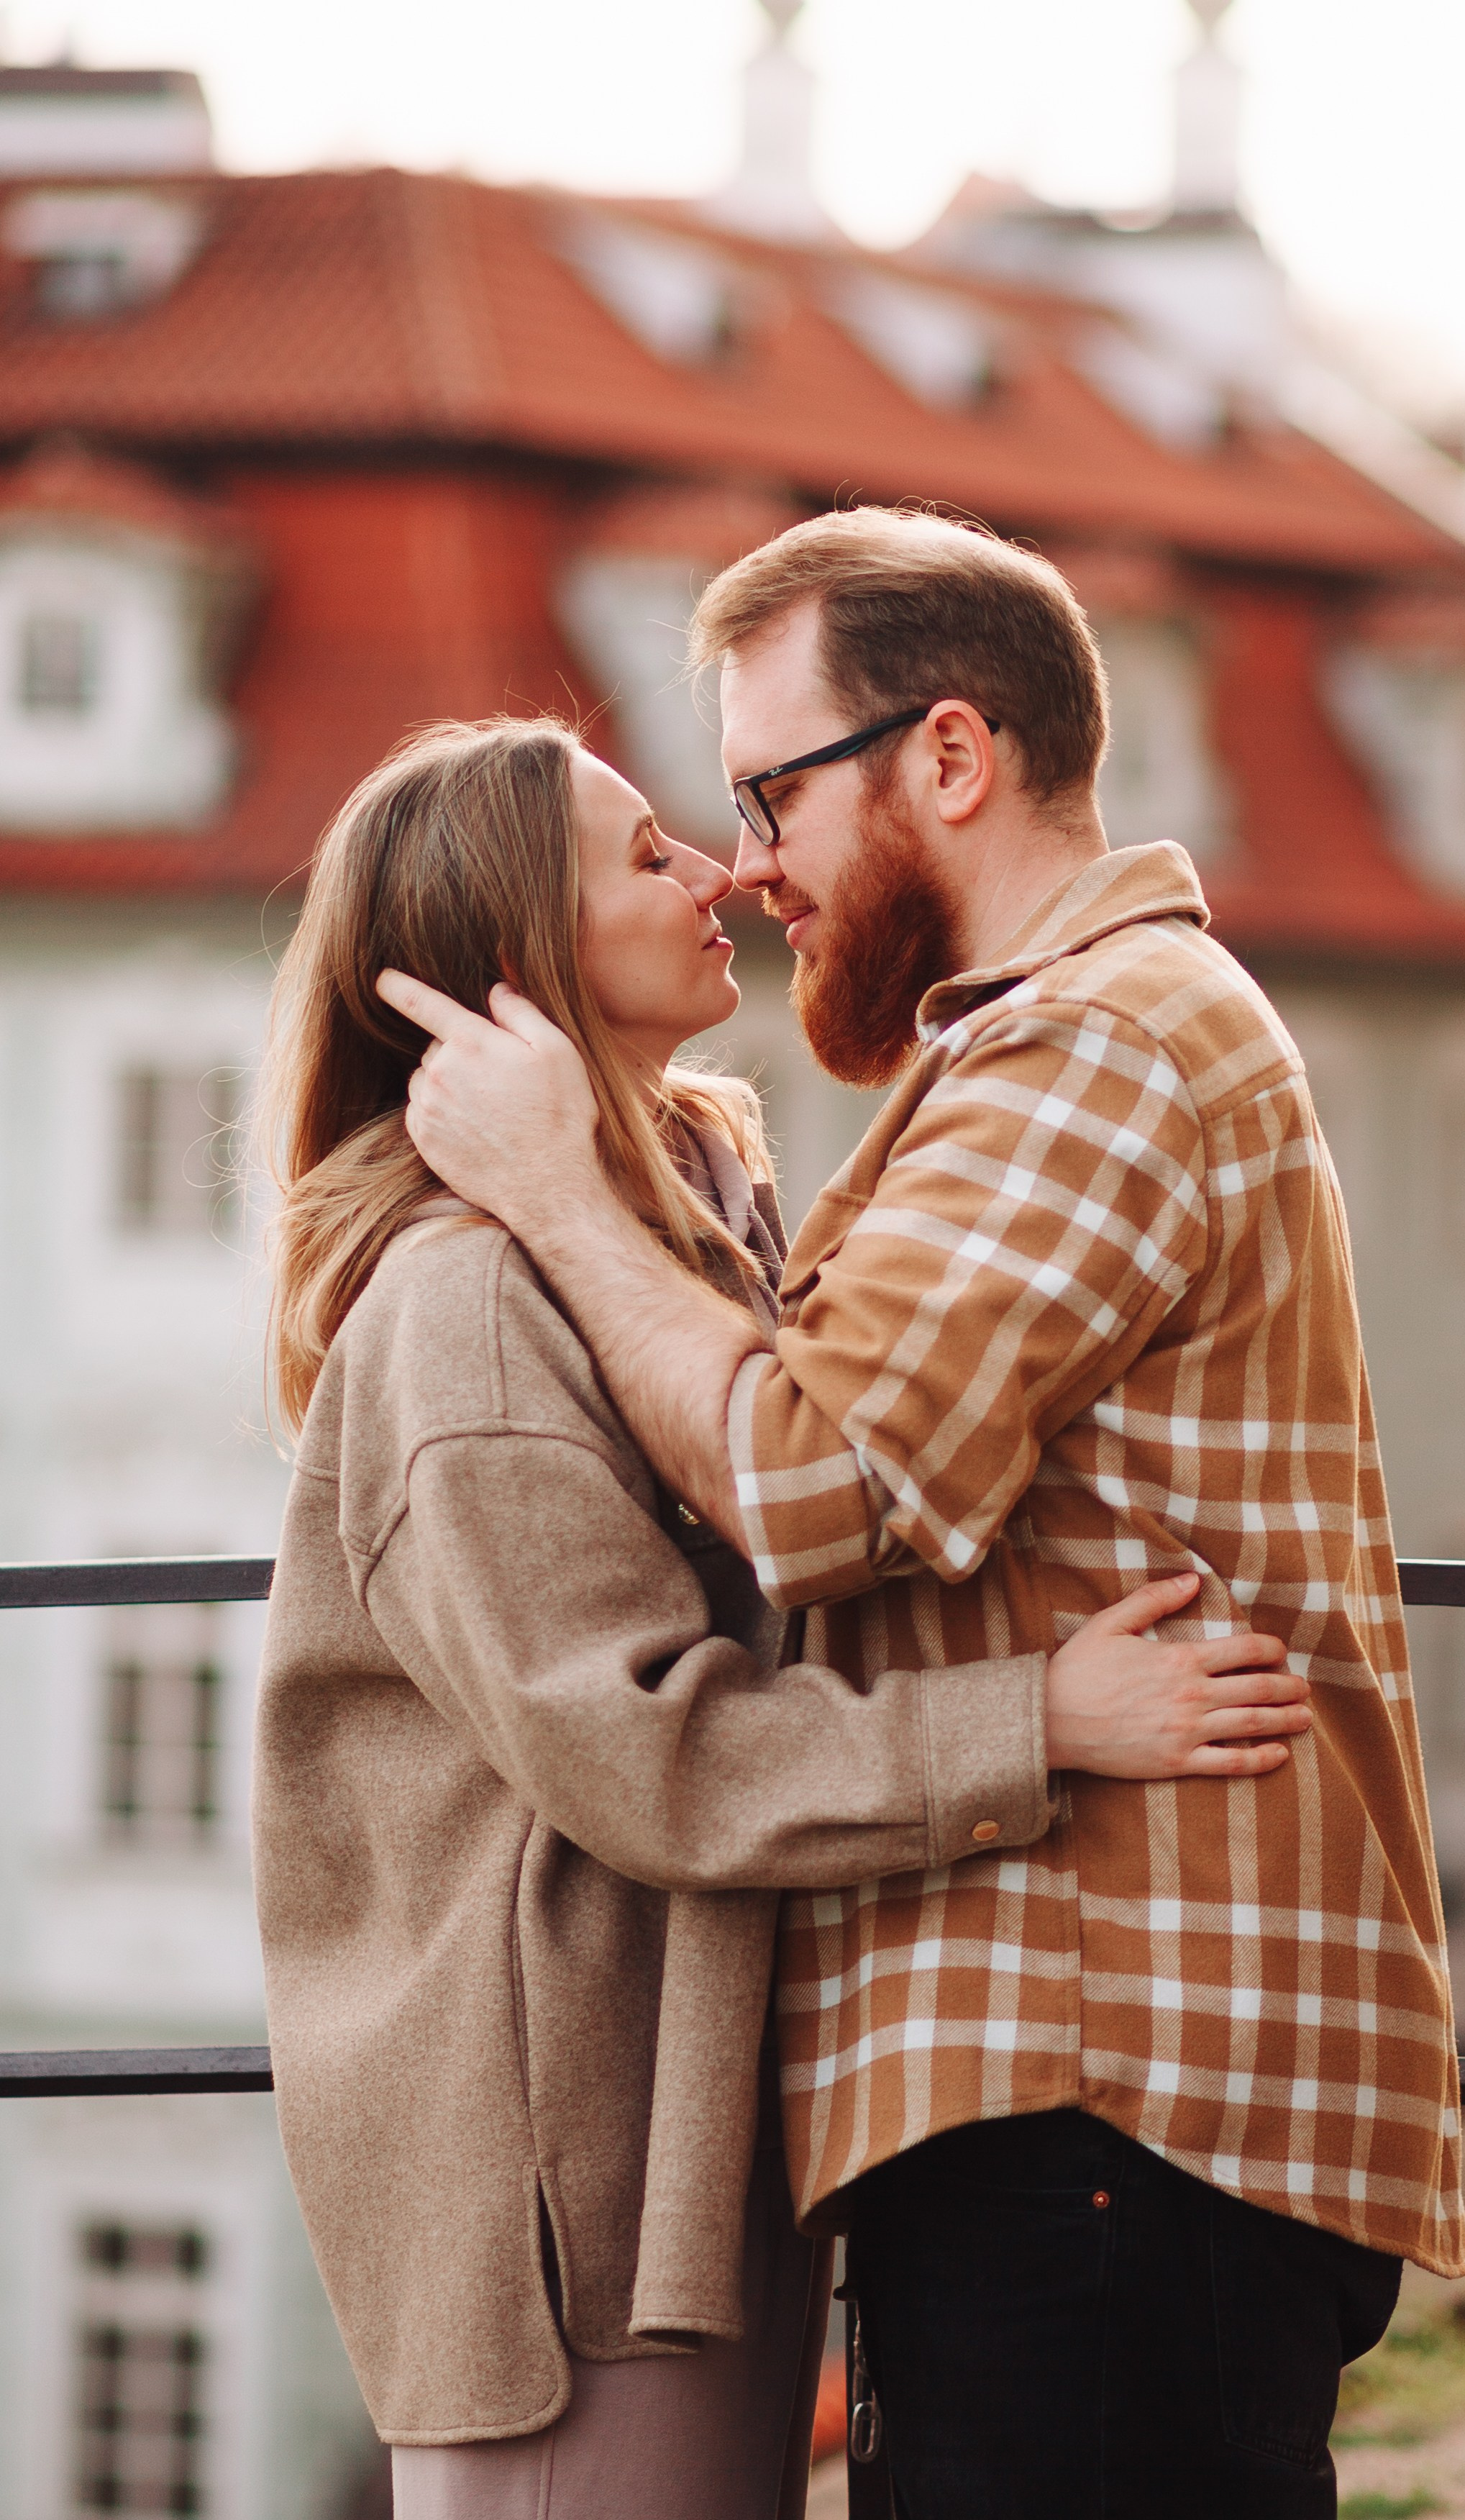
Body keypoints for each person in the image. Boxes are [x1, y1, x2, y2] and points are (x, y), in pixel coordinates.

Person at [379, 510, 1465, 2520]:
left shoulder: (1098, 1046)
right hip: (1087, 2083)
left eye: (768, 791)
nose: (748, 865)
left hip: (1114, 2073)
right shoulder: (1030, 1050)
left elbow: (813, 1480)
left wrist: (550, 1192)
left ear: (948, 757)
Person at [250, 714, 1310, 2520]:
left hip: (688, 2105)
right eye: (649, 856)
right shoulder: (466, 1301)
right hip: (569, 2175)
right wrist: (1034, 1721)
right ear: (519, 967)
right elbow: (641, 1743)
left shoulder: (672, 1231)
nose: (722, 872)